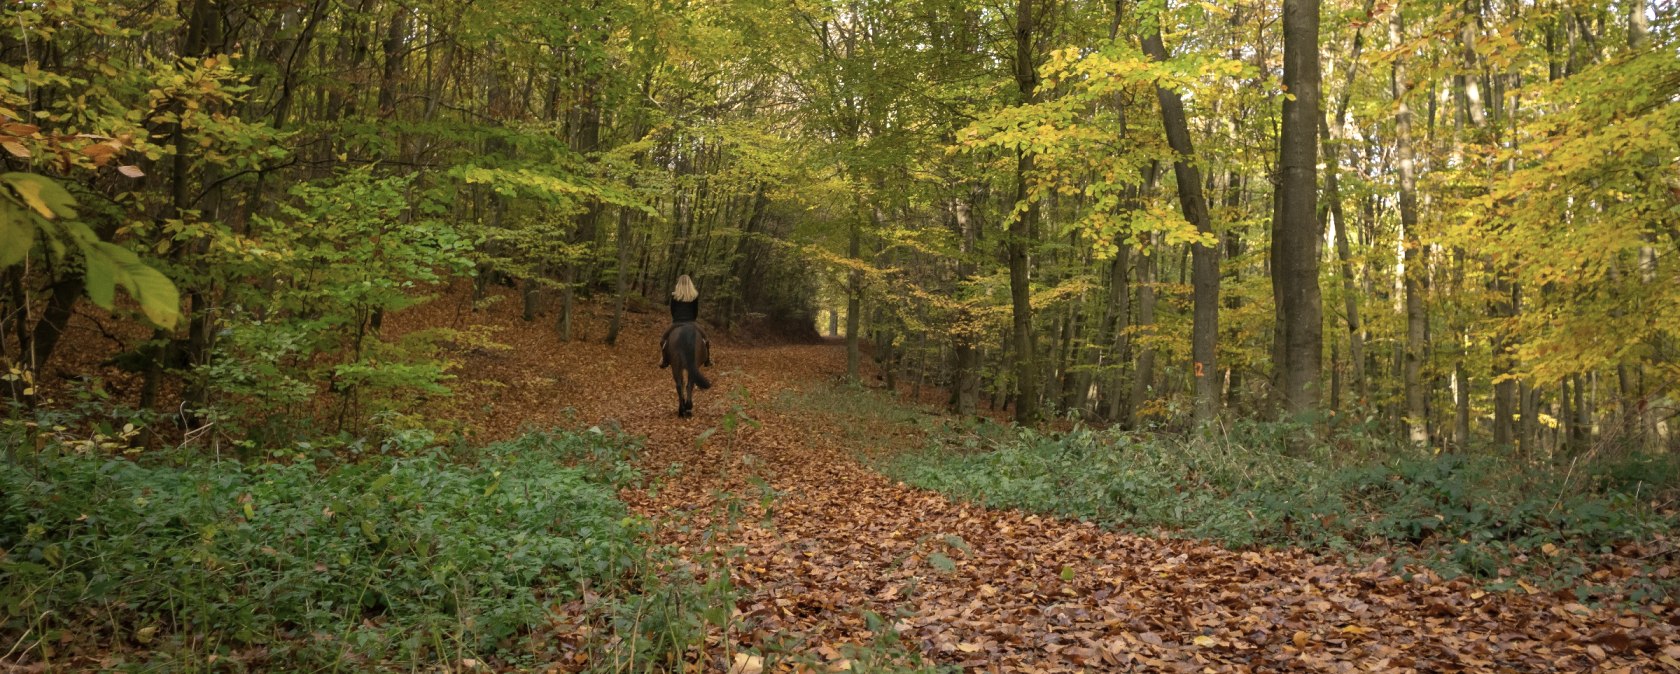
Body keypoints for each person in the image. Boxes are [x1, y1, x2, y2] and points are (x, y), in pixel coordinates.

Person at [659, 275, 712, 368]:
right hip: (691, 322)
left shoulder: (674, 295)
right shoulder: (694, 296)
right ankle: (707, 360)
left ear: (679, 284)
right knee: (706, 339)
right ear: (690, 284)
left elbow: (672, 310)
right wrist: (692, 319)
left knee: (663, 340)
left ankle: (664, 360)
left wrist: (676, 319)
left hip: (677, 322)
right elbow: (695, 311)